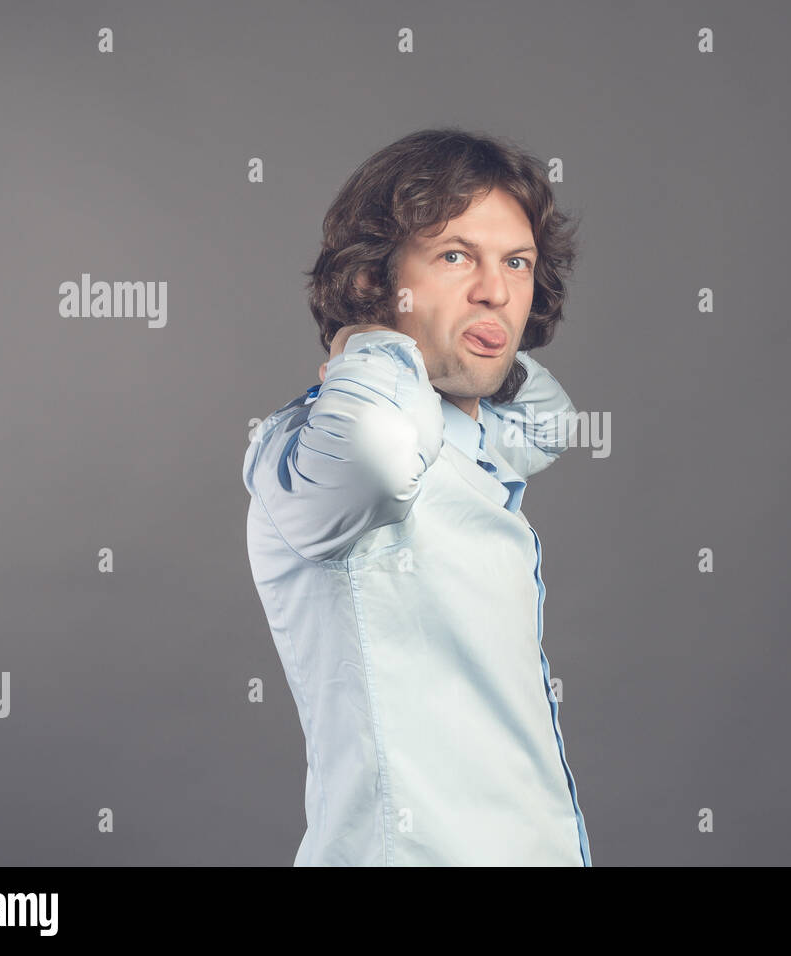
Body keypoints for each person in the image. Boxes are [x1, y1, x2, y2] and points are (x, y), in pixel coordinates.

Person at [242, 128, 591, 866]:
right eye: (455, 255)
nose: (496, 290)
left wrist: (460, 332)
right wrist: (366, 342)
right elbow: (374, 452)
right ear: (375, 280)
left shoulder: (468, 442)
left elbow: (549, 418)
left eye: (517, 263)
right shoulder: (321, 453)